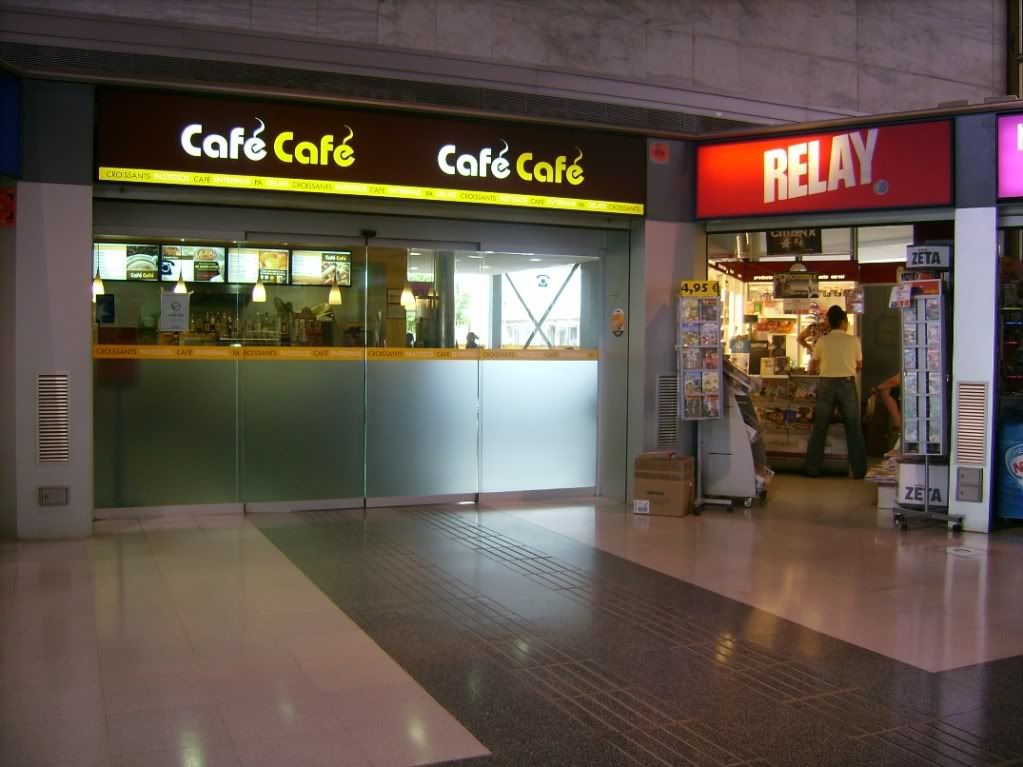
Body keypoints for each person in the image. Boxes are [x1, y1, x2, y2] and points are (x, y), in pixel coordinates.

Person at [805, 305, 867, 479]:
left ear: (830, 323)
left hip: (826, 385)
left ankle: (812, 469)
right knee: (853, 428)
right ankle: (859, 470)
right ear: (842, 322)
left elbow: (811, 367)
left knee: (820, 428)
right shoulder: (853, 340)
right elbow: (859, 365)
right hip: (847, 384)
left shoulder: (822, 341)